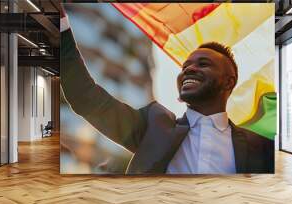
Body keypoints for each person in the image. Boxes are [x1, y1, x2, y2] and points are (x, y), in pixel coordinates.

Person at [61, 27, 274, 174]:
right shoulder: (153, 126)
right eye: (185, 66)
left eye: (204, 64)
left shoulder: (261, 147)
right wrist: (61, 30)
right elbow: (84, 97)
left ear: (229, 82)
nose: (190, 68)